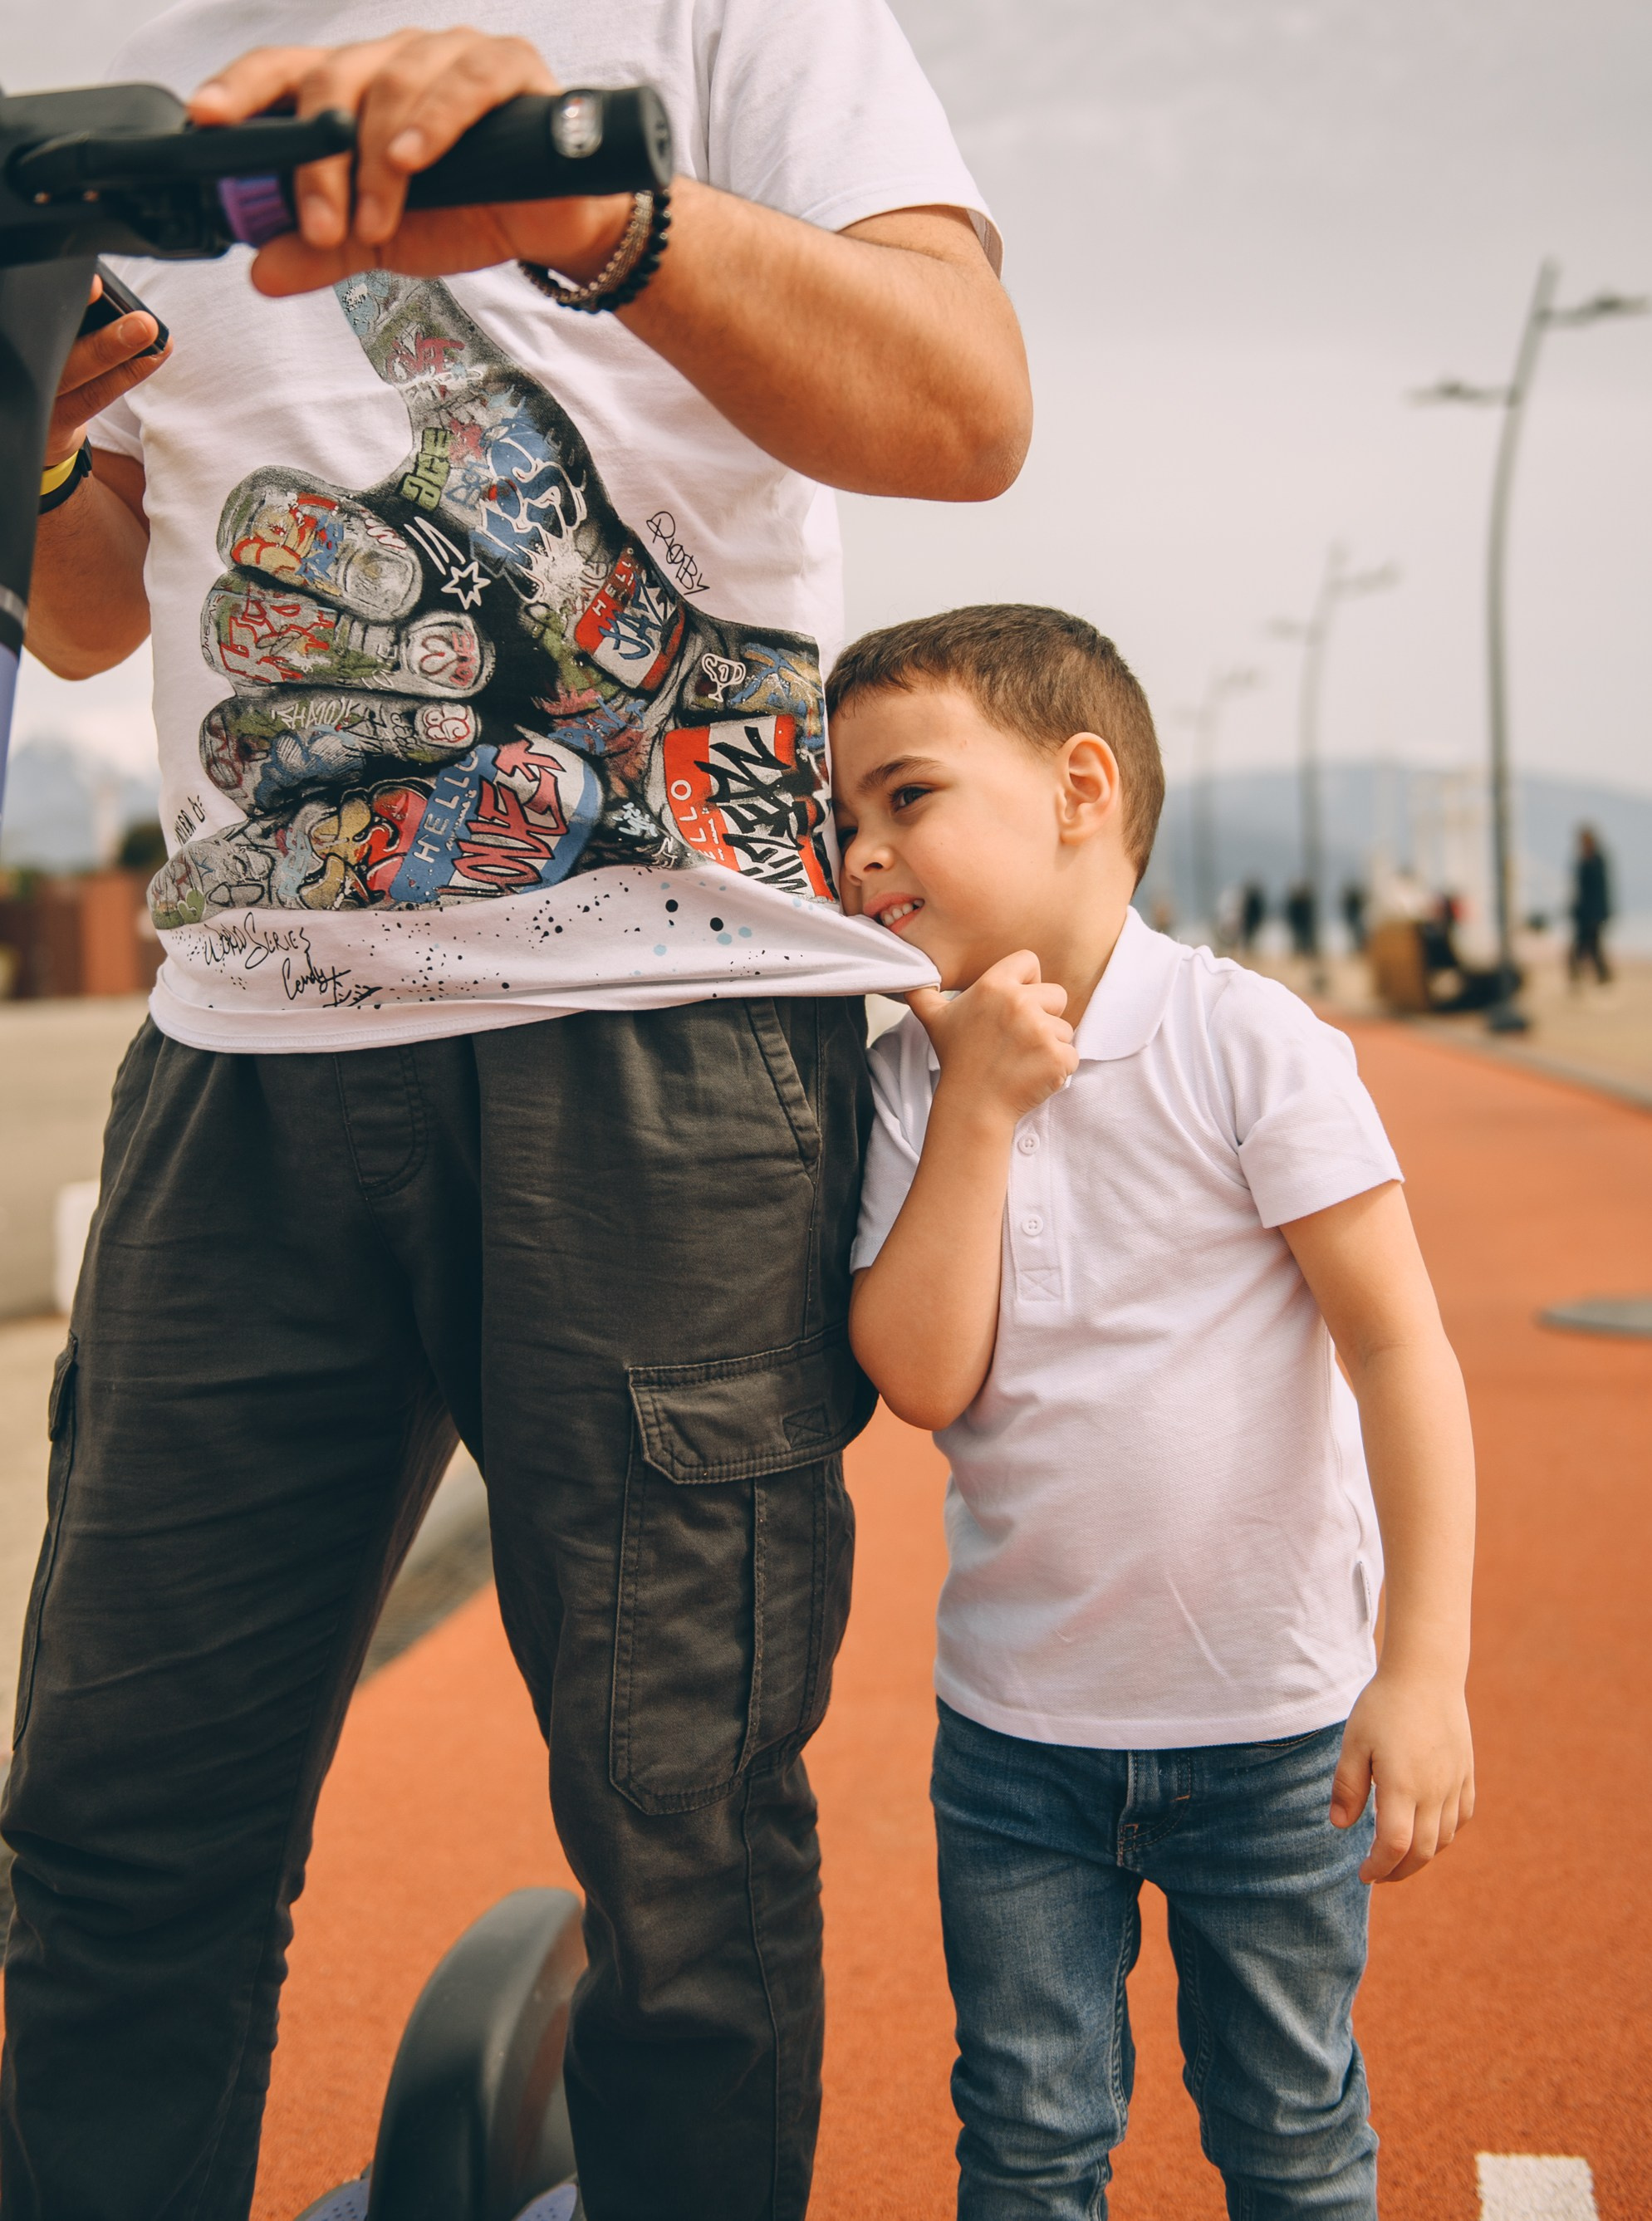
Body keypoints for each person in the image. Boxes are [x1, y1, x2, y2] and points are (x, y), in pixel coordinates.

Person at [4, 12, 1032, 2219]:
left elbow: (961, 406)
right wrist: (32, 440)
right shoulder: (91, 51)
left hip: (667, 1035)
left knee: (681, 1865)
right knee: (112, 1845)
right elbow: (95, 612)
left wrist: (605, 220)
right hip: (246, 1054)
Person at [828, 605, 1476, 2219]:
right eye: (839, 820)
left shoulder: (1240, 1038)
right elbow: (919, 1378)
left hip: (1269, 1726)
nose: (859, 854)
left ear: (1079, 788)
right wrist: (974, 1099)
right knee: (1031, 2138)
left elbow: (1398, 1345)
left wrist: (1423, 1663)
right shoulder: (908, 1076)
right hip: (1016, 1741)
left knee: (1286, 2130)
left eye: (904, 797)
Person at [1569, 825, 1613, 985]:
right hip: (1585, 914)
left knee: (1591, 947)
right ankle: (1587, 976)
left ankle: (1599, 976)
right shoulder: (1586, 861)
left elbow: (1600, 890)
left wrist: (1598, 914)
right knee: (1587, 947)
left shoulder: (1596, 861)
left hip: (1593, 914)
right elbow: (1581, 890)